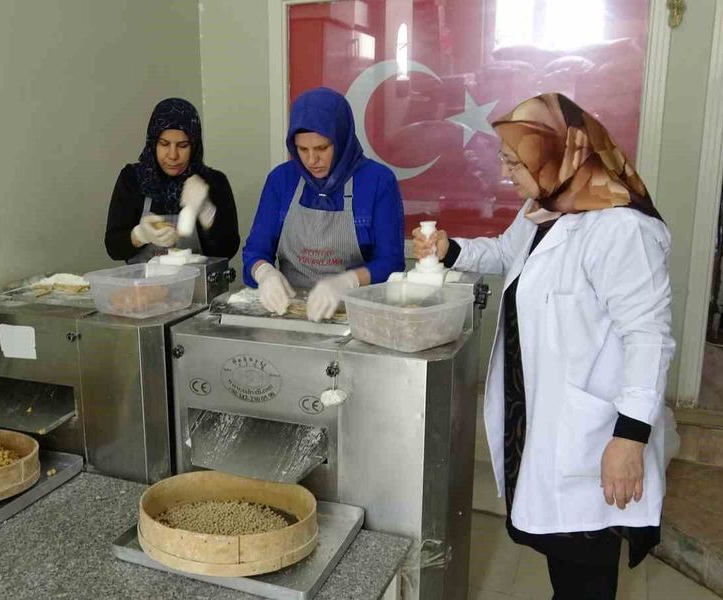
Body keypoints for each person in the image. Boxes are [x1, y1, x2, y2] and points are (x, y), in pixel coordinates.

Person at [414, 93, 674, 600]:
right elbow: (507, 255)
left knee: (588, 572)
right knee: (566, 566)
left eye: (513, 161)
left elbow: (649, 336)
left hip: (596, 433)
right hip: (538, 415)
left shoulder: (621, 229)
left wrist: (630, 438)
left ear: (556, 155)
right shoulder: (544, 208)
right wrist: (452, 251)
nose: (505, 173)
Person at [242, 87, 404, 322]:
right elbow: (255, 251)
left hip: (356, 318)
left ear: (342, 140)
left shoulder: (378, 181)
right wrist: (264, 274)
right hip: (291, 313)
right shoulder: (281, 180)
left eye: (322, 148)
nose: (311, 160)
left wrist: (347, 282)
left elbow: (391, 262)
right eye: (302, 149)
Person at [105, 98, 240, 263]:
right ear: (153, 143)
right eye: (164, 144)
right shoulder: (132, 179)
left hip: (197, 287)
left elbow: (228, 251)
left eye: (183, 146)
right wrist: (140, 235)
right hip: (144, 287)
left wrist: (207, 212)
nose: (173, 155)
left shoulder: (214, 182)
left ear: (194, 146)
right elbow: (113, 248)